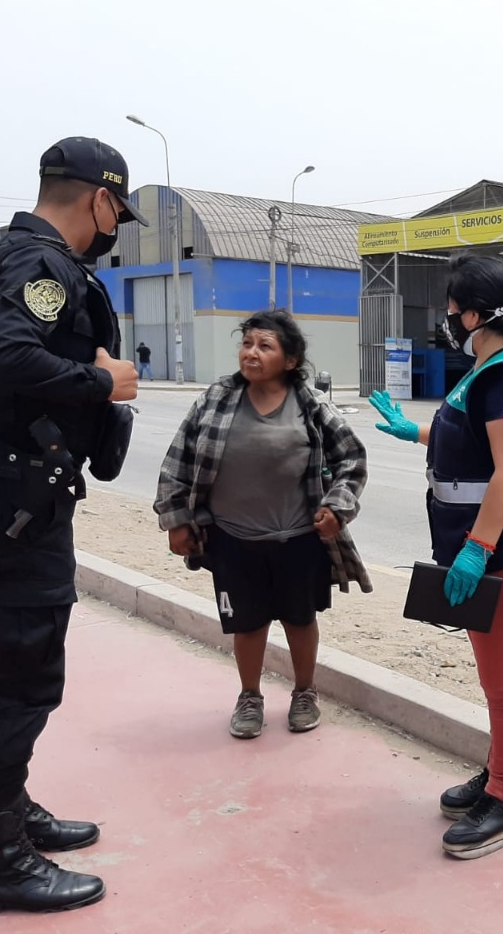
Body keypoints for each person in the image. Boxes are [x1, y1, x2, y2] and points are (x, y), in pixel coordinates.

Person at [0, 137, 143, 914]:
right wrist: (102, 381)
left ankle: (12, 811)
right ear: (99, 199)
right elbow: (7, 356)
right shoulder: (42, 265)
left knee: (11, 664)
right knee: (20, 679)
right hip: (17, 500)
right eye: (117, 212)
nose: (114, 227)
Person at [370, 252, 503, 860]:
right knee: (496, 683)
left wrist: (477, 549)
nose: (447, 319)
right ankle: (501, 773)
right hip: (502, 553)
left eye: (451, 310)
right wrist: (414, 431)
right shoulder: (492, 367)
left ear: (475, 315)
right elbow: (474, 440)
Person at [155, 310, 371, 739]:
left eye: (264, 346)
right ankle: (250, 697)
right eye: (247, 344)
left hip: (298, 538)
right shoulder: (215, 400)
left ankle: (305, 693)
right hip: (232, 538)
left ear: (290, 360)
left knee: (299, 619)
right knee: (247, 624)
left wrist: (337, 507)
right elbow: (178, 461)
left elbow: (352, 458)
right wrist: (176, 521)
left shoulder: (311, 405)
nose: (251, 353)